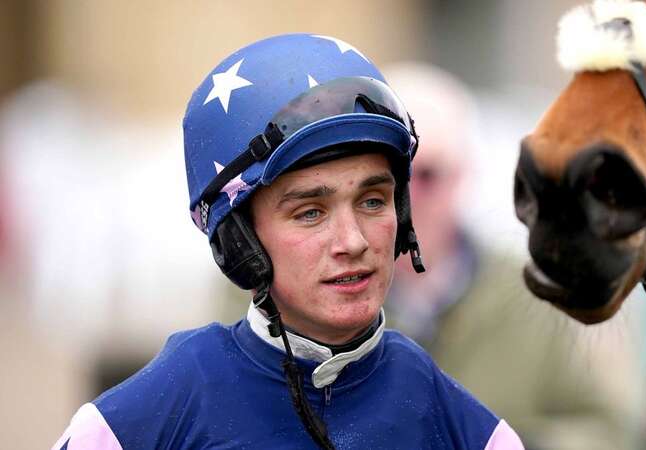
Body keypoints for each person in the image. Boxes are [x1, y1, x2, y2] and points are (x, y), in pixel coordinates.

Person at [51, 34, 524, 449]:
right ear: (240, 242)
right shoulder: (146, 419)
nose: (353, 241)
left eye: (374, 201)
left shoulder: (469, 430)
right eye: (310, 212)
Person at [384, 62, 646, 450]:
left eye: (426, 175)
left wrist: (509, 444)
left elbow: (615, 430)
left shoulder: (536, 295)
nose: (407, 197)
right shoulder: (325, 301)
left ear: (463, 175)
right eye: (391, 177)